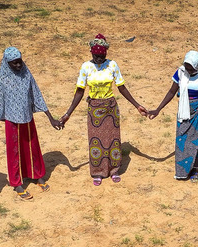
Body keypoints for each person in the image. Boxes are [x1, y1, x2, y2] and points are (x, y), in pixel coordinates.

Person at [60, 34, 147, 186]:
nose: (99, 59)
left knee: (113, 140)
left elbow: (121, 87)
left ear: (105, 54)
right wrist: (68, 113)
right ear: (91, 53)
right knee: (96, 141)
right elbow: (79, 92)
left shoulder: (112, 65)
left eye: (101, 56)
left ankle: (114, 170)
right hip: (94, 109)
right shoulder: (86, 67)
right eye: (96, 55)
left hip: (111, 109)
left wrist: (137, 105)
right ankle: (98, 171)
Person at [0, 47, 63, 200]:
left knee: (32, 147)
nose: (18, 66)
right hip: (12, 121)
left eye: (19, 62)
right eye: (14, 63)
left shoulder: (26, 74)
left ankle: (37, 175)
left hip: (27, 119)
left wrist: (51, 118)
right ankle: (16, 183)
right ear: (7, 63)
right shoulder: (3, 79)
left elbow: (37, 94)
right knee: (14, 152)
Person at [147, 50, 198, 182]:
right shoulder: (180, 73)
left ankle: (194, 169)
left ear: (197, 66)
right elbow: (171, 92)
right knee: (181, 140)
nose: (188, 71)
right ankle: (181, 171)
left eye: (191, 69)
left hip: (197, 111)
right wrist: (158, 109)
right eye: (187, 67)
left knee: (195, 140)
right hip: (183, 111)